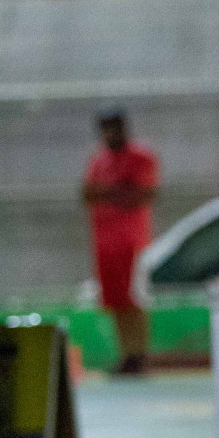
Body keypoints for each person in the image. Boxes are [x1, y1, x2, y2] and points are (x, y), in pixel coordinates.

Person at [81, 109, 159, 375]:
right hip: (105, 243)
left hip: (132, 242)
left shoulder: (141, 158)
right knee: (115, 301)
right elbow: (88, 193)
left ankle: (139, 352)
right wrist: (117, 190)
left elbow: (141, 194)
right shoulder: (98, 161)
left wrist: (109, 192)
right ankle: (127, 352)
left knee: (134, 299)